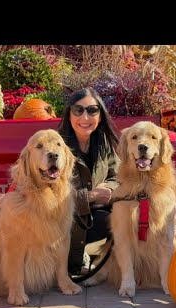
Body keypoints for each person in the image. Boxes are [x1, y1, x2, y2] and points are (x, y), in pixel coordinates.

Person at [57, 87, 120, 275]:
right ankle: (72, 259)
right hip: (63, 219)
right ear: (69, 114)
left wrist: (107, 188)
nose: (85, 117)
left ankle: (108, 260)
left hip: (93, 216)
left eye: (92, 110)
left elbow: (118, 175)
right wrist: (91, 196)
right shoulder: (57, 146)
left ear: (100, 115)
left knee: (121, 217)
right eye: (78, 110)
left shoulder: (103, 144)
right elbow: (50, 197)